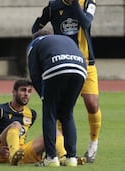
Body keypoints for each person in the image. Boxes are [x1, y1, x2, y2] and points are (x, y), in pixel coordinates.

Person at [31, 0, 101, 163]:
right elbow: (36, 25)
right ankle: (63, 153)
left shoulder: (88, 1)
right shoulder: (53, 6)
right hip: (60, 62)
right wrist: (45, 40)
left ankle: (93, 143)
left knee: (92, 104)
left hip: (86, 62)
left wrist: (76, 1)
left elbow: (86, 23)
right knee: (63, 110)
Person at [27, 29, 87, 167]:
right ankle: (71, 158)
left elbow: (35, 74)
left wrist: (43, 96)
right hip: (80, 68)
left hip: (56, 65)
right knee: (67, 113)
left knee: (50, 112)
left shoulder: (35, 43)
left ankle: (51, 158)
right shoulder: (64, 39)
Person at [0, 79, 74, 166]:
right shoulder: (0, 109)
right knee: (16, 124)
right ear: (14, 92)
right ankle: (14, 155)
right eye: (23, 90)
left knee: (54, 132)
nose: (26, 94)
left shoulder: (31, 114)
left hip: (22, 151)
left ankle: (65, 157)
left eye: (29, 91)